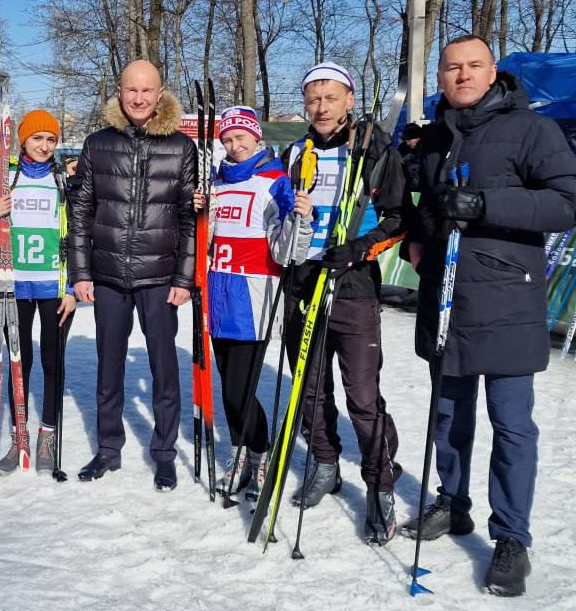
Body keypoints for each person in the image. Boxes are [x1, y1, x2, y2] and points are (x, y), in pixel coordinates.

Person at [401, 34, 576, 596]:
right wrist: (419, 233)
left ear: (492, 71)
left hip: (506, 299)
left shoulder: (533, 130)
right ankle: (452, 503)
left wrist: (486, 203)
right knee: (449, 417)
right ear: (440, 76)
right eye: (452, 68)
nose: (462, 76)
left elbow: (569, 203)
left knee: (511, 426)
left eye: (473, 66)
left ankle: (511, 537)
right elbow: (428, 204)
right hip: (448, 297)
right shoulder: (435, 136)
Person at [280, 62, 404, 545]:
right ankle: (327, 462)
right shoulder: (296, 151)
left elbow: (397, 218)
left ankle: (380, 484)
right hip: (304, 281)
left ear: (349, 100)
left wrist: (358, 249)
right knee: (309, 388)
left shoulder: (374, 149)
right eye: (313, 99)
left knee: (362, 396)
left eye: (331, 98)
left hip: (352, 284)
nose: (321, 107)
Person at [68, 59, 195, 492]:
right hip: (107, 276)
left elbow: (189, 219)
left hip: (160, 276)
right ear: (119, 92)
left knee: (164, 367)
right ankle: (108, 448)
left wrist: (184, 278)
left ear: (160, 95)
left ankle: (164, 453)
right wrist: (81, 272)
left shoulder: (180, 147)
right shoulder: (97, 143)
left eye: (147, 91)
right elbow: (81, 210)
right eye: (131, 90)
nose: (139, 98)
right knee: (109, 365)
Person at [201, 106, 313, 500]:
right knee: (227, 383)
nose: (234, 146)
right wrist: (200, 212)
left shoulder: (274, 180)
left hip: (254, 296)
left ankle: (260, 453)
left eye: (240, 137)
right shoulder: (217, 182)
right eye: (227, 140)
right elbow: (209, 238)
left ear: (256, 136)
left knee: (239, 390)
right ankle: (241, 453)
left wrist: (300, 220)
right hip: (218, 292)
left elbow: (289, 252)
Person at [0, 109, 76, 475]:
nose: (44, 145)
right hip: (15, 285)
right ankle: (18, 435)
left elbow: (76, 235)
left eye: (51, 139)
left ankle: (47, 435)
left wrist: (71, 288)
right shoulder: (7, 179)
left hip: (54, 285)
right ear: (22, 140)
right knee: (19, 363)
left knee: (53, 362)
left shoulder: (63, 182)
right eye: (37, 138)